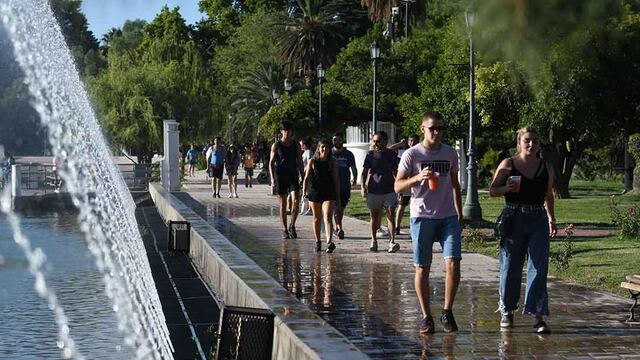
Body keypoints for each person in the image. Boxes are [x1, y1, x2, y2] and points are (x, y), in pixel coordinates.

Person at [394, 111, 463, 334]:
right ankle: (426, 316)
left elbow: (455, 185)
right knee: (422, 268)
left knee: (453, 263)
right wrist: (416, 178)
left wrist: (459, 214)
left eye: (440, 128)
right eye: (432, 128)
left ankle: (447, 311)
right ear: (423, 128)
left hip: (448, 217)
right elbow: (397, 186)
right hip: (422, 217)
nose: (436, 132)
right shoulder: (412, 155)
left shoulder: (450, 153)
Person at [489, 126, 557, 334]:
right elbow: (492, 190)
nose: (531, 144)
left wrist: (551, 219)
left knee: (539, 265)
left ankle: (538, 315)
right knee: (510, 266)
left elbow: (548, 195)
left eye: (535, 141)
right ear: (519, 143)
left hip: (537, 218)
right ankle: (507, 311)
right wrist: (506, 188)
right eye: (527, 140)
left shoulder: (546, 167)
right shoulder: (508, 164)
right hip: (514, 217)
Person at [361, 131, 399, 253]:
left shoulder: (392, 154)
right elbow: (364, 172)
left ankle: (392, 241)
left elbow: (396, 172)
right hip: (374, 189)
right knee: (374, 216)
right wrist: (363, 187)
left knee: (390, 215)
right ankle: (374, 240)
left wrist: (398, 187)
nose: (376, 144)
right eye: (374, 141)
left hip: (389, 189)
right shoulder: (370, 155)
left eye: (378, 141)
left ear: (385, 141)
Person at [302, 140, 340, 253]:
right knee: (316, 218)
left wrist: (338, 197)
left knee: (328, 216)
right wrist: (304, 191)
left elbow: (336, 181)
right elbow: (307, 178)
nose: (325, 149)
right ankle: (318, 242)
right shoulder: (312, 161)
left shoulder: (332, 162)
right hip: (315, 192)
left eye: (327, 147)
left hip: (329, 192)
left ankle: (329, 242)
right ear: (318, 149)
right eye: (323, 147)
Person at [270, 120, 304, 239]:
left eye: (289, 131)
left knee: (295, 201)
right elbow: (271, 163)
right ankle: (284, 228)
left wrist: (303, 176)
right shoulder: (277, 145)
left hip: (293, 175)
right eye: (285, 131)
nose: (287, 133)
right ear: (281, 132)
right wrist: (273, 178)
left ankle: (292, 225)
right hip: (281, 175)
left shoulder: (295, 144)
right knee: (283, 204)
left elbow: (300, 161)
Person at [331, 133, 357, 239]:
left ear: (342, 141)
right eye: (334, 140)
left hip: (344, 185)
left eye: (338, 140)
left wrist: (354, 178)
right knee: (335, 207)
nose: (336, 142)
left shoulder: (348, 154)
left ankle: (337, 227)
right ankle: (338, 227)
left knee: (341, 208)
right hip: (332, 185)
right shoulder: (329, 153)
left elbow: (353, 168)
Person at [395, 134, 421, 235]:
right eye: (410, 141)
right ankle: (397, 227)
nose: (412, 143)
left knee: (414, 206)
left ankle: (413, 228)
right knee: (401, 206)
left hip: (417, 185)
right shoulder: (404, 153)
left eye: (414, 141)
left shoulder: (421, 153)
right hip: (405, 184)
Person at [299, 138, 314, 216]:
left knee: (309, 191)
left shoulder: (309, 152)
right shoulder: (304, 153)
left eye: (301, 145)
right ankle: (305, 208)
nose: (300, 146)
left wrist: (307, 171)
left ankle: (310, 209)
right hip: (303, 175)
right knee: (305, 191)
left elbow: (310, 163)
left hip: (308, 175)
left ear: (304, 145)